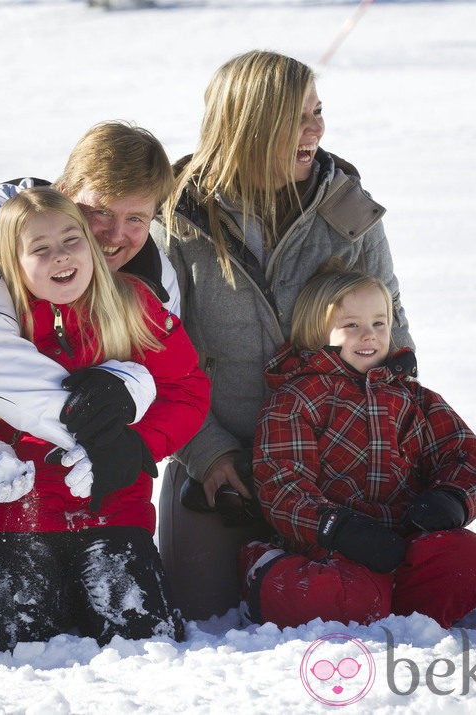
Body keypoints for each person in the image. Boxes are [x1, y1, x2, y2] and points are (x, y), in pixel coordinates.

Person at [151, 50, 414, 620]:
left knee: (364, 601)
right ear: (249, 122)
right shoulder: (177, 216)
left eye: (318, 112)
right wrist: (210, 453)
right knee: (204, 615)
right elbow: (153, 357)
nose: (316, 129)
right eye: (297, 117)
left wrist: (385, 444)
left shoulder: (345, 206)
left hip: (333, 464)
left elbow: (392, 324)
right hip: (225, 468)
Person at [0, 121, 179, 605]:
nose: (114, 234)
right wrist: (101, 430)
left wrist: (132, 432)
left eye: (137, 218)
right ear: (66, 193)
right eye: (100, 211)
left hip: (58, 495)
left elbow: (173, 382)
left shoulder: (146, 279)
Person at [0, 188, 210, 651]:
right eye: (40, 249)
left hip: (111, 509)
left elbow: (188, 389)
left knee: (140, 634)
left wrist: (139, 448)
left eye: (71, 240)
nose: (60, 256)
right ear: (14, 264)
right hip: (13, 518)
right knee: (16, 644)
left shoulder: (132, 305)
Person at [240, 268, 476, 628]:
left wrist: (451, 498)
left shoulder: (414, 396)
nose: (370, 335)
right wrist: (336, 528)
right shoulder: (297, 399)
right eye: (352, 325)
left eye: (379, 323)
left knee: (465, 558)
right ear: (317, 331)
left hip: (404, 541)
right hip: (330, 545)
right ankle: (270, 577)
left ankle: (405, 615)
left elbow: (461, 453)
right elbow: (282, 483)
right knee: (345, 595)